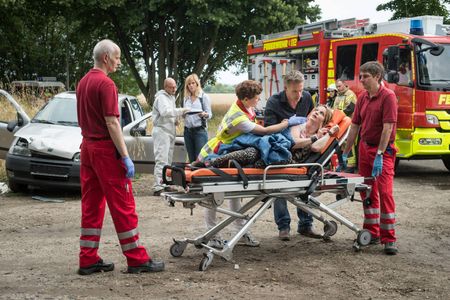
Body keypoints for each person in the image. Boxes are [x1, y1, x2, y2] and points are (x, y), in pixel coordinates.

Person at [76, 39, 164, 275]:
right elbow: (112, 122)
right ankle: (137, 260)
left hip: (87, 148)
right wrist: (125, 156)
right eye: (117, 57)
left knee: (91, 206)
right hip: (105, 151)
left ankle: (88, 259)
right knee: (123, 205)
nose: (119, 61)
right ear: (106, 57)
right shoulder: (106, 84)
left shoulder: (83, 82)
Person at [196, 80, 291, 248]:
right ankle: (212, 234)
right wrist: (285, 124)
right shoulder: (239, 117)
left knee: (234, 194)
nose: (258, 101)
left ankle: (239, 230)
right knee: (214, 194)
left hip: (230, 153)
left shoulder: (243, 106)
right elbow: (264, 131)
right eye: (256, 98)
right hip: (220, 153)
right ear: (246, 99)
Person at [340, 61, 398, 255]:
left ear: (377, 77)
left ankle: (389, 238)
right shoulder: (363, 97)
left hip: (382, 151)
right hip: (365, 149)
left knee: (385, 192)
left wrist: (380, 154)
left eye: (365, 76)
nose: (361, 79)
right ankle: (372, 233)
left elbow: (388, 127)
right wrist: (346, 152)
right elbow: (355, 126)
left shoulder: (388, 97)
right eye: (361, 75)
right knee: (367, 192)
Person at [264, 70, 321, 241]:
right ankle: (283, 226)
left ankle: (306, 225)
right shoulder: (274, 102)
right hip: (281, 150)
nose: (298, 95)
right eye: (294, 91)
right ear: (286, 88)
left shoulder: (306, 98)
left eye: (300, 90)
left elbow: (313, 121)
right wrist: (287, 125)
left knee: (306, 187)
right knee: (279, 186)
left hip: (304, 149)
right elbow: (268, 131)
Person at [210, 105, 339, 168]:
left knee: (262, 159)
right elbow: (293, 142)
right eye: (316, 110)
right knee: (253, 152)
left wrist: (328, 134)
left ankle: (238, 166)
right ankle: (212, 163)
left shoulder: (320, 135)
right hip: (276, 149)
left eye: (321, 113)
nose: (316, 112)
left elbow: (316, 148)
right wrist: (314, 138)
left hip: (286, 160)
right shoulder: (299, 125)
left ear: (324, 120)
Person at [152, 78, 190, 196]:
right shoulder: (161, 98)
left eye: (175, 87)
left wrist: (175, 120)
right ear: (166, 87)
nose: (174, 89)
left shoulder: (171, 98)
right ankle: (158, 186)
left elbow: (169, 114)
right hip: (162, 131)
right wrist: (181, 111)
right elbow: (165, 112)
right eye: (171, 87)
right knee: (161, 159)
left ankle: (165, 183)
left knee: (168, 160)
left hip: (169, 131)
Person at [183, 74, 212, 162]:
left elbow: (210, 114)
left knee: (200, 160)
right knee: (191, 159)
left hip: (200, 131)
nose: (191, 85)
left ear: (197, 84)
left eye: (193, 83)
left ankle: (200, 175)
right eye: (189, 84)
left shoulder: (203, 97)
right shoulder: (185, 98)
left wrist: (204, 114)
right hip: (187, 131)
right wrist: (183, 114)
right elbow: (184, 114)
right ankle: (191, 176)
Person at [334, 79, 358, 172]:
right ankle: (342, 164)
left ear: (345, 84)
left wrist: (339, 116)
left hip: (349, 124)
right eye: (337, 87)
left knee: (349, 144)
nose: (338, 88)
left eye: (339, 86)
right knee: (340, 144)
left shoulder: (350, 94)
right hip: (340, 124)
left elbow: (351, 108)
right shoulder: (338, 96)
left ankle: (350, 166)